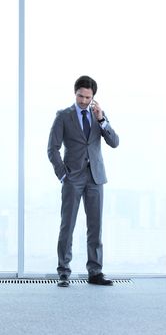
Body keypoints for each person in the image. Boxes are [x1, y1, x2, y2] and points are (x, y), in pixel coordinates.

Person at [47, 75, 119, 287]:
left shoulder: (99, 115)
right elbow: (52, 148)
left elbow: (114, 142)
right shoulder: (63, 116)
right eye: (80, 96)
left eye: (88, 97)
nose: (84, 101)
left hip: (95, 177)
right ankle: (63, 272)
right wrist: (62, 174)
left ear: (93, 97)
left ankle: (95, 272)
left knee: (95, 227)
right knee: (67, 225)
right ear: (75, 93)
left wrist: (101, 120)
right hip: (73, 178)